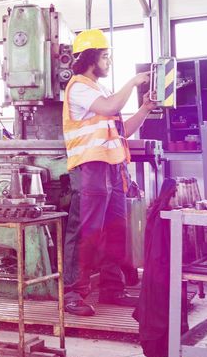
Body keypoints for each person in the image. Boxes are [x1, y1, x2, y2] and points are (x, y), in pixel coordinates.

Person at [62, 29, 156, 317]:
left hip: (112, 168)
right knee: (87, 231)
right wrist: (133, 82)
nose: (109, 61)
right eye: (105, 56)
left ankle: (112, 288)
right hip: (91, 167)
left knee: (115, 230)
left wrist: (144, 108)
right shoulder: (78, 87)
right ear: (91, 58)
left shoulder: (99, 90)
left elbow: (122, 131)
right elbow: (111, 106)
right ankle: (73, 294)